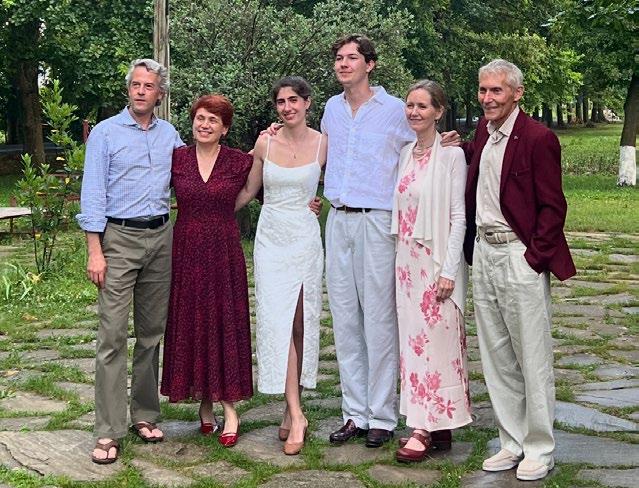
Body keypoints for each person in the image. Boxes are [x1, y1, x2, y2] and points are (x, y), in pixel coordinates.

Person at [462, 59, 576, 481]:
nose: (487, 98)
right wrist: (457, 145)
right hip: (484, 252)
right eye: (483, 90)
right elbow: (481, 169)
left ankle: (540, 448)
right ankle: (511, 442)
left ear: (516, 93)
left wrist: (534, 258)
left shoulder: (538, 138)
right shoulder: (483, 131)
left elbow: (553, 206)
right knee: (496, 355)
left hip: (519, 254)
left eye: (496, 90)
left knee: (532, 355)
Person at [77, 58, 183, 464]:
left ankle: (145, 414)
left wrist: (263, 146)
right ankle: (108, 429)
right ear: (129, 89)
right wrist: (95, 250)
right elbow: (92, 193)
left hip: (161, 237)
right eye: (136, 84)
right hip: (118, 239)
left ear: (160, 94)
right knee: (112, 336)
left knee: (152, 334)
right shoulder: (105, 133)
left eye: (148, 86)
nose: (141, 91)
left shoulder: (169, 134)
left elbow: (197, 171)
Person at [236, 76, 326, 455]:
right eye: (281, 102)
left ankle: (293, 405)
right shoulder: (265, 142)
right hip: (271, 239)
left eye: (293, 100)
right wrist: (209, 211)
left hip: (305, 238)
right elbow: (248, 189)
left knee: (301, 323)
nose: (287, 107)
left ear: (307, 103)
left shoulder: (323, 142)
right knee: (279, 322)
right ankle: (297, 414)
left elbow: (345, 182)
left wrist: (321, 203)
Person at [161, 94, 253, 448]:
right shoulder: (177, 158)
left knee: (222, 322)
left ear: (224, 128)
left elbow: (270, 185)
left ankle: (229, 407)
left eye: (213, 120)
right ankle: (203, 401)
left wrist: (310, 201)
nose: (205, 124)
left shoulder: (238, 161)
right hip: (185, 249)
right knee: (193, 321)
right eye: (200, 118)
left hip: (223, 251)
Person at [391, 80, 471, 463]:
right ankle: (437, 427)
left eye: (423, 106)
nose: (414, 112)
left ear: (439, 112)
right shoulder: (406, 153)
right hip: (407, 264)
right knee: (413, 345)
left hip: (436, 261)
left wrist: (449, 270)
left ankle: (423, 426)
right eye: (410, 105)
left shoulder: (452, 156)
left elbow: (459, 217)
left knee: (437, 345)